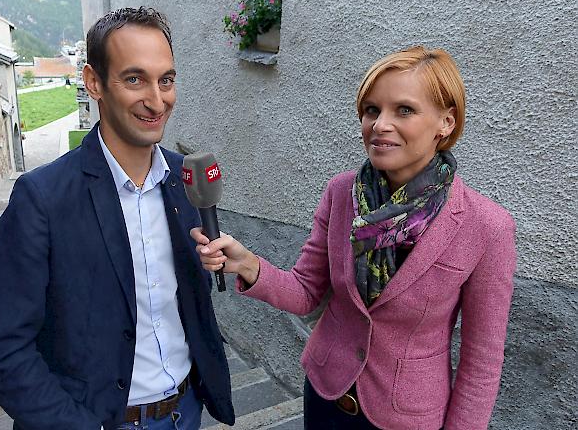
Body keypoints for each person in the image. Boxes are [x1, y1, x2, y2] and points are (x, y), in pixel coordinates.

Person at [191, 46, 517, 430]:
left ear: (446, 122)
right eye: (372, 110)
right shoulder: (342, 193)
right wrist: (247, 264)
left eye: (404, 110)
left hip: (406, 417)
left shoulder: (486, 226)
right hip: (327, 394)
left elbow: (481, 362)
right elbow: (306, 291)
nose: (380, 125)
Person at [0, 7, 235, 430]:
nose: (157, 99)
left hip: (186, 412)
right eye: (135, 79)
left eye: (166, 80)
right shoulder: (42, 198)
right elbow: (1, 347)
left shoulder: (184, 180)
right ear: (94, 82)